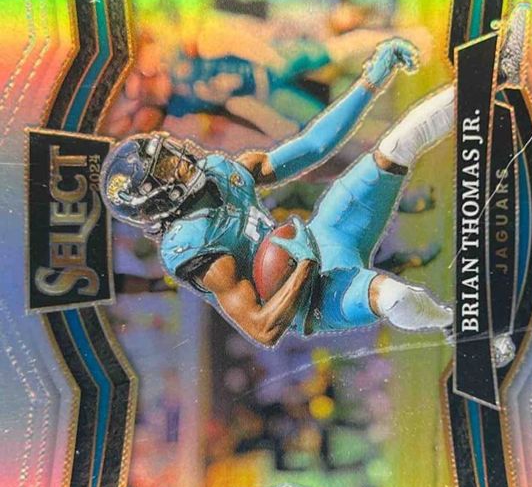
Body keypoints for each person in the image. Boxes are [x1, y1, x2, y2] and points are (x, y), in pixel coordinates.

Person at [101, 37, 454, 348]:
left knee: (395, 147)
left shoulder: (219, 173)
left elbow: (314, 145)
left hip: (326, 235)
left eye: (167, 154)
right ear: (156, 199)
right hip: (316, 300)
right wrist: (303, 268)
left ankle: (478, 84)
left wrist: (370, 80)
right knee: (393, 296)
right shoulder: (195, 246)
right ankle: (451, 322)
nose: (178, 158)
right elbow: (263, 329)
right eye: (165, 167)